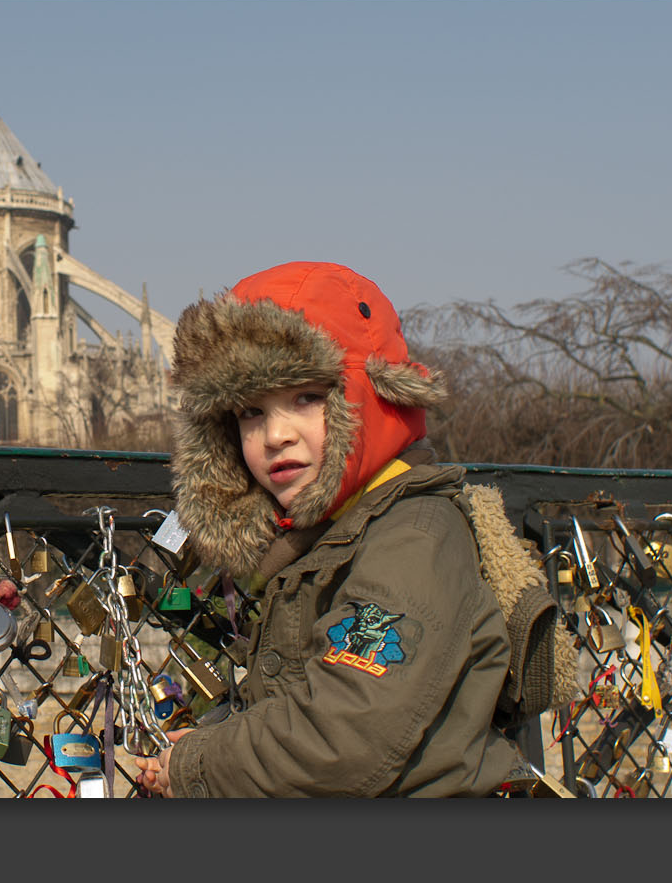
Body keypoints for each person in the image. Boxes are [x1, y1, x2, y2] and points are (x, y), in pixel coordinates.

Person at [134, 261, 521, 797]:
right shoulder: (322, 532)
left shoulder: (414, 537)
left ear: (370, 398)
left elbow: (344, 736)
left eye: (306, 398)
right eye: (250, 412)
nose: (275, 435)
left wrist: (199, 765)